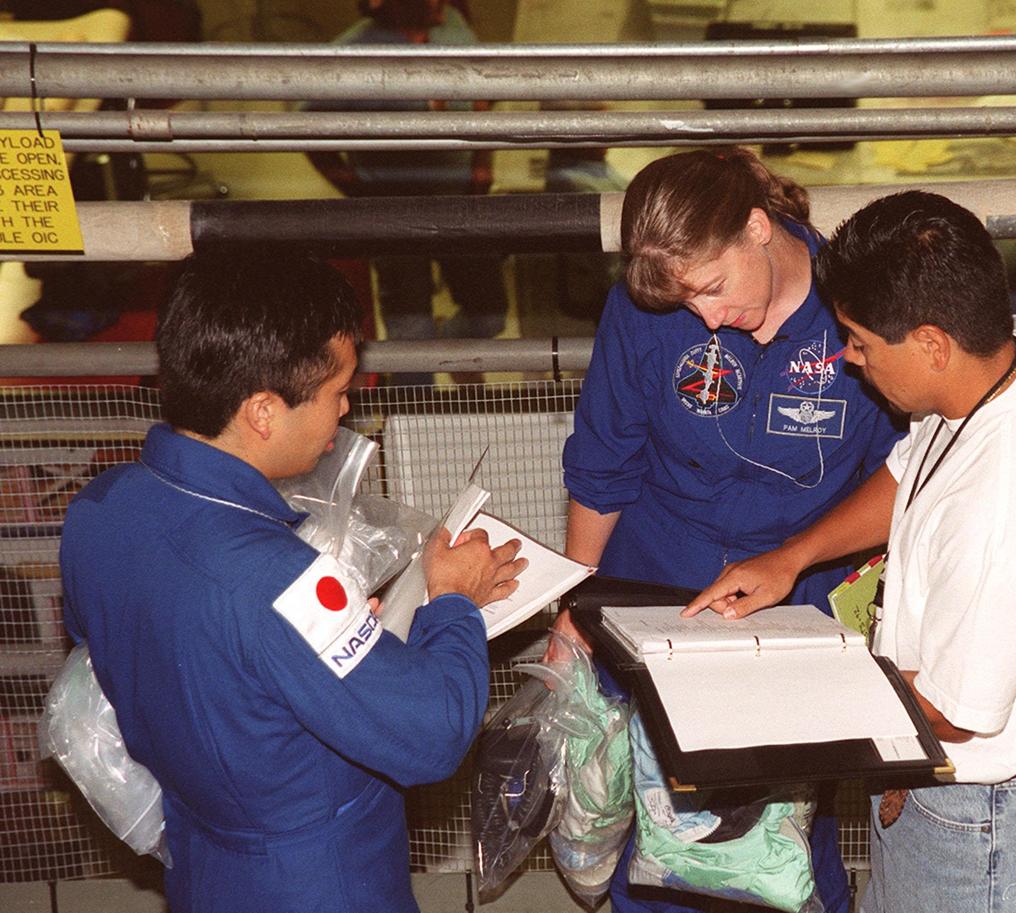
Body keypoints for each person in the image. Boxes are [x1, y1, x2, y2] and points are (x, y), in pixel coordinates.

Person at [58, 252, 526, 913]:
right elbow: (435, 731)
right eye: (338, 393)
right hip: (321, 881)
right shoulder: (281, 580)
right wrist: (452, 597)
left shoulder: (100, 509)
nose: (344, 414)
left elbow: (145, 647)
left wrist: (328, 642)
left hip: (201, 863)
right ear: (263, 411)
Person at [686, 190, 1016, 913]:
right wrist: (791, 557)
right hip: (949, 777)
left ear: (932, 344)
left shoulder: (1007, 512)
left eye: (860, 342)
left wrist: (787, 696)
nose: (850, 359)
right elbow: (909, 470)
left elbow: (953, 711)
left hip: (974, 812)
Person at [555, 147, 904, 913]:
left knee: (783, 847)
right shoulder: (648, 313)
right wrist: (576, 607)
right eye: (689, 303)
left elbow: (904, 474)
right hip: (659, 594)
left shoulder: (857, 307)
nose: (707, 318)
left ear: (757, 226)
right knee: (665, 836)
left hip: (794, 609)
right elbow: (603, 462)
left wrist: (800, 562)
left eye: (713, 288)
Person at [308, 0, 509, 371]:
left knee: (489, 314)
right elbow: (309, 130)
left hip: (460, 201)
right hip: (393, 208)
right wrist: (358, 190)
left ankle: (439, 351)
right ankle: (417, 411)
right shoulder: (351, 53)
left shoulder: (452, 26)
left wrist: (482, 165)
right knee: (409, 330)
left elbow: (483, 97)